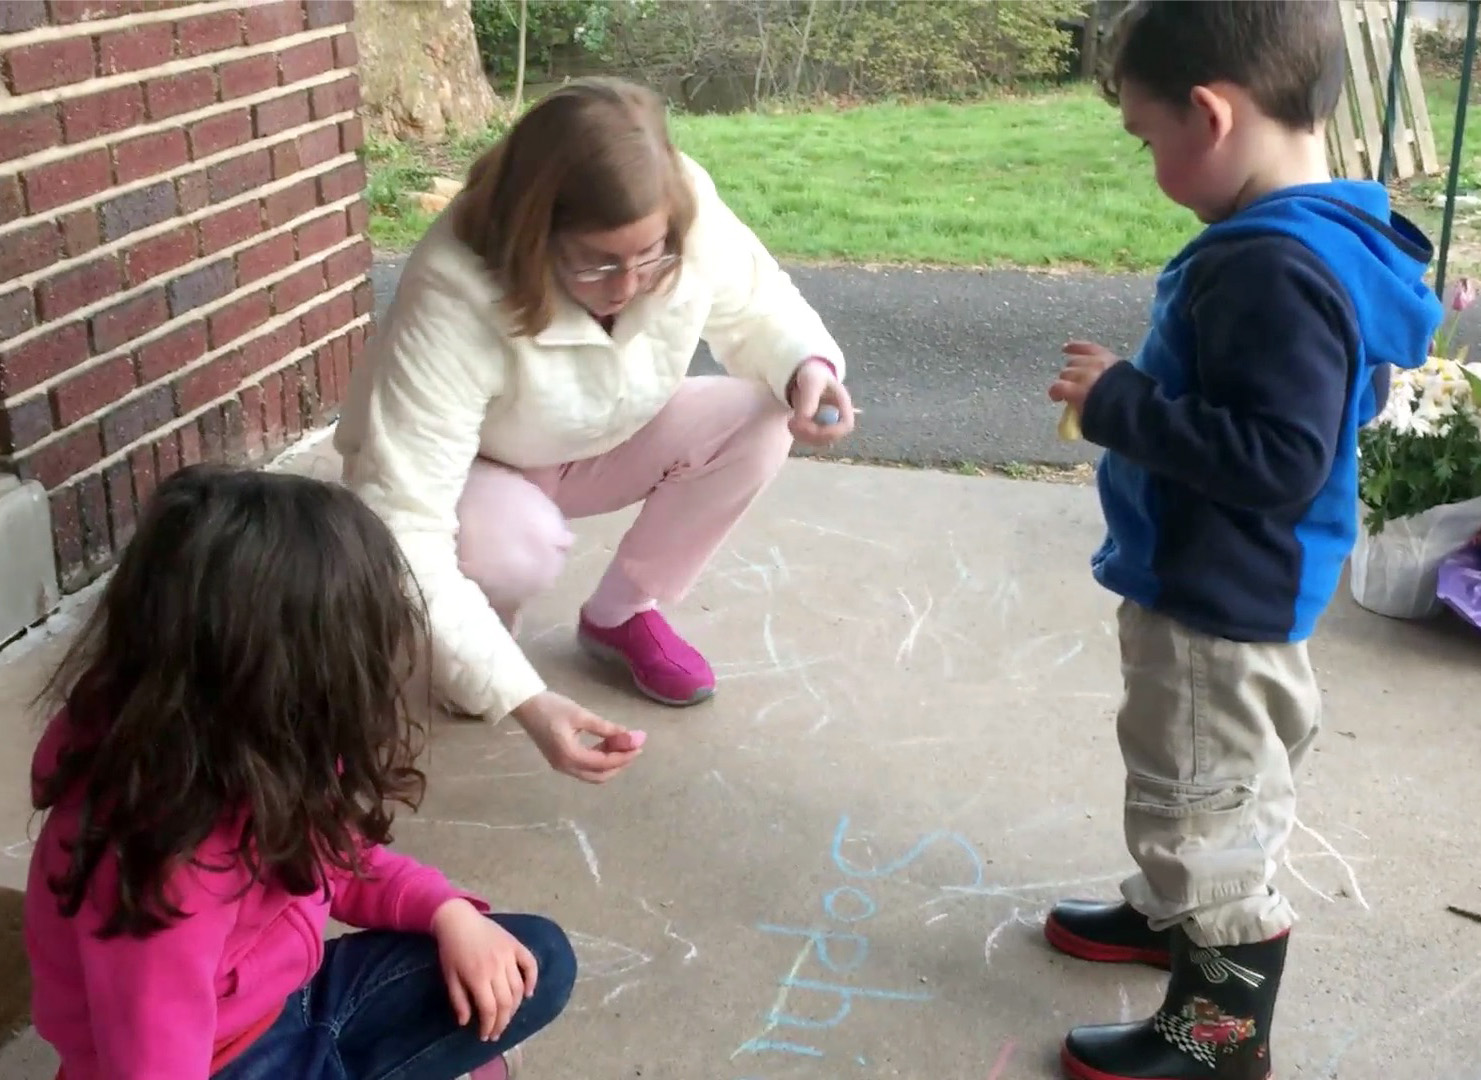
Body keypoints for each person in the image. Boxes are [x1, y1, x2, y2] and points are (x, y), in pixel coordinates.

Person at [1043, 3, 1442, 1078]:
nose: (1146, 160)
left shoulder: (1267, 267)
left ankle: (1217, 1030)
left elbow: (1276, 458)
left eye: (1145, 138)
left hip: (1216, 602)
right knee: (1203, 783)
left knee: (1200, 801)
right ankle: (1175, 910)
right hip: (1240, 588)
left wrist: (1123, 404)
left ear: (1208, 117)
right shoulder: (1324, 234)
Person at [335, 77, 854, 785]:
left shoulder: (680, 205)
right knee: (516, 547)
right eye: (597, 262)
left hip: (595, 437)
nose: (630, 284)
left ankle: (619, 614)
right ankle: (482, 634)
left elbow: (757, 306)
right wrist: (518, 696)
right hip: (476, 472)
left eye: (651, 257)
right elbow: (402, 524)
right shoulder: (452, 288)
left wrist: (806, 366)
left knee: (762, 416)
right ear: (532, 234)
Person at [24, 466, 576, 1080]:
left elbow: (339, 860)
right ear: (287, 673)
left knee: (536, 958)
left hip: (293, 1003)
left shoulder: (259, 752)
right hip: (220, 1064)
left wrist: (449, 913)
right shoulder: (165, 872)